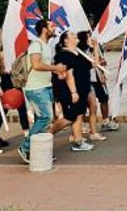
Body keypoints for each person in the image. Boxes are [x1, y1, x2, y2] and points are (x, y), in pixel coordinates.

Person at [18, 20, 66, 164]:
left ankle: (38, 150)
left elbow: (45, 65)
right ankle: (26, 147)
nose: (54, 28)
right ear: (44, 29)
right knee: (46, 117)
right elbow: (37, 65)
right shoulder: (36, 45)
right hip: (36, 88)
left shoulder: (46, 46)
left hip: (45, 86)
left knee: (43, 120)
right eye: (51, 26)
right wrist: (56, 68)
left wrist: (56, 72)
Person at [52, 31, 95, 152]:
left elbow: (93, 65)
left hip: (82, 90)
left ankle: (78, 140)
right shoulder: (63, 55)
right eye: (71, 34)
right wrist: (73, 92)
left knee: (78, 114)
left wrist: (95, 48)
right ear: (65, 40)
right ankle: (46, 134)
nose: (75, 35)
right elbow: (67, 75)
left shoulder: (79, 53)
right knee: (69, 117)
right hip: (70, 91)